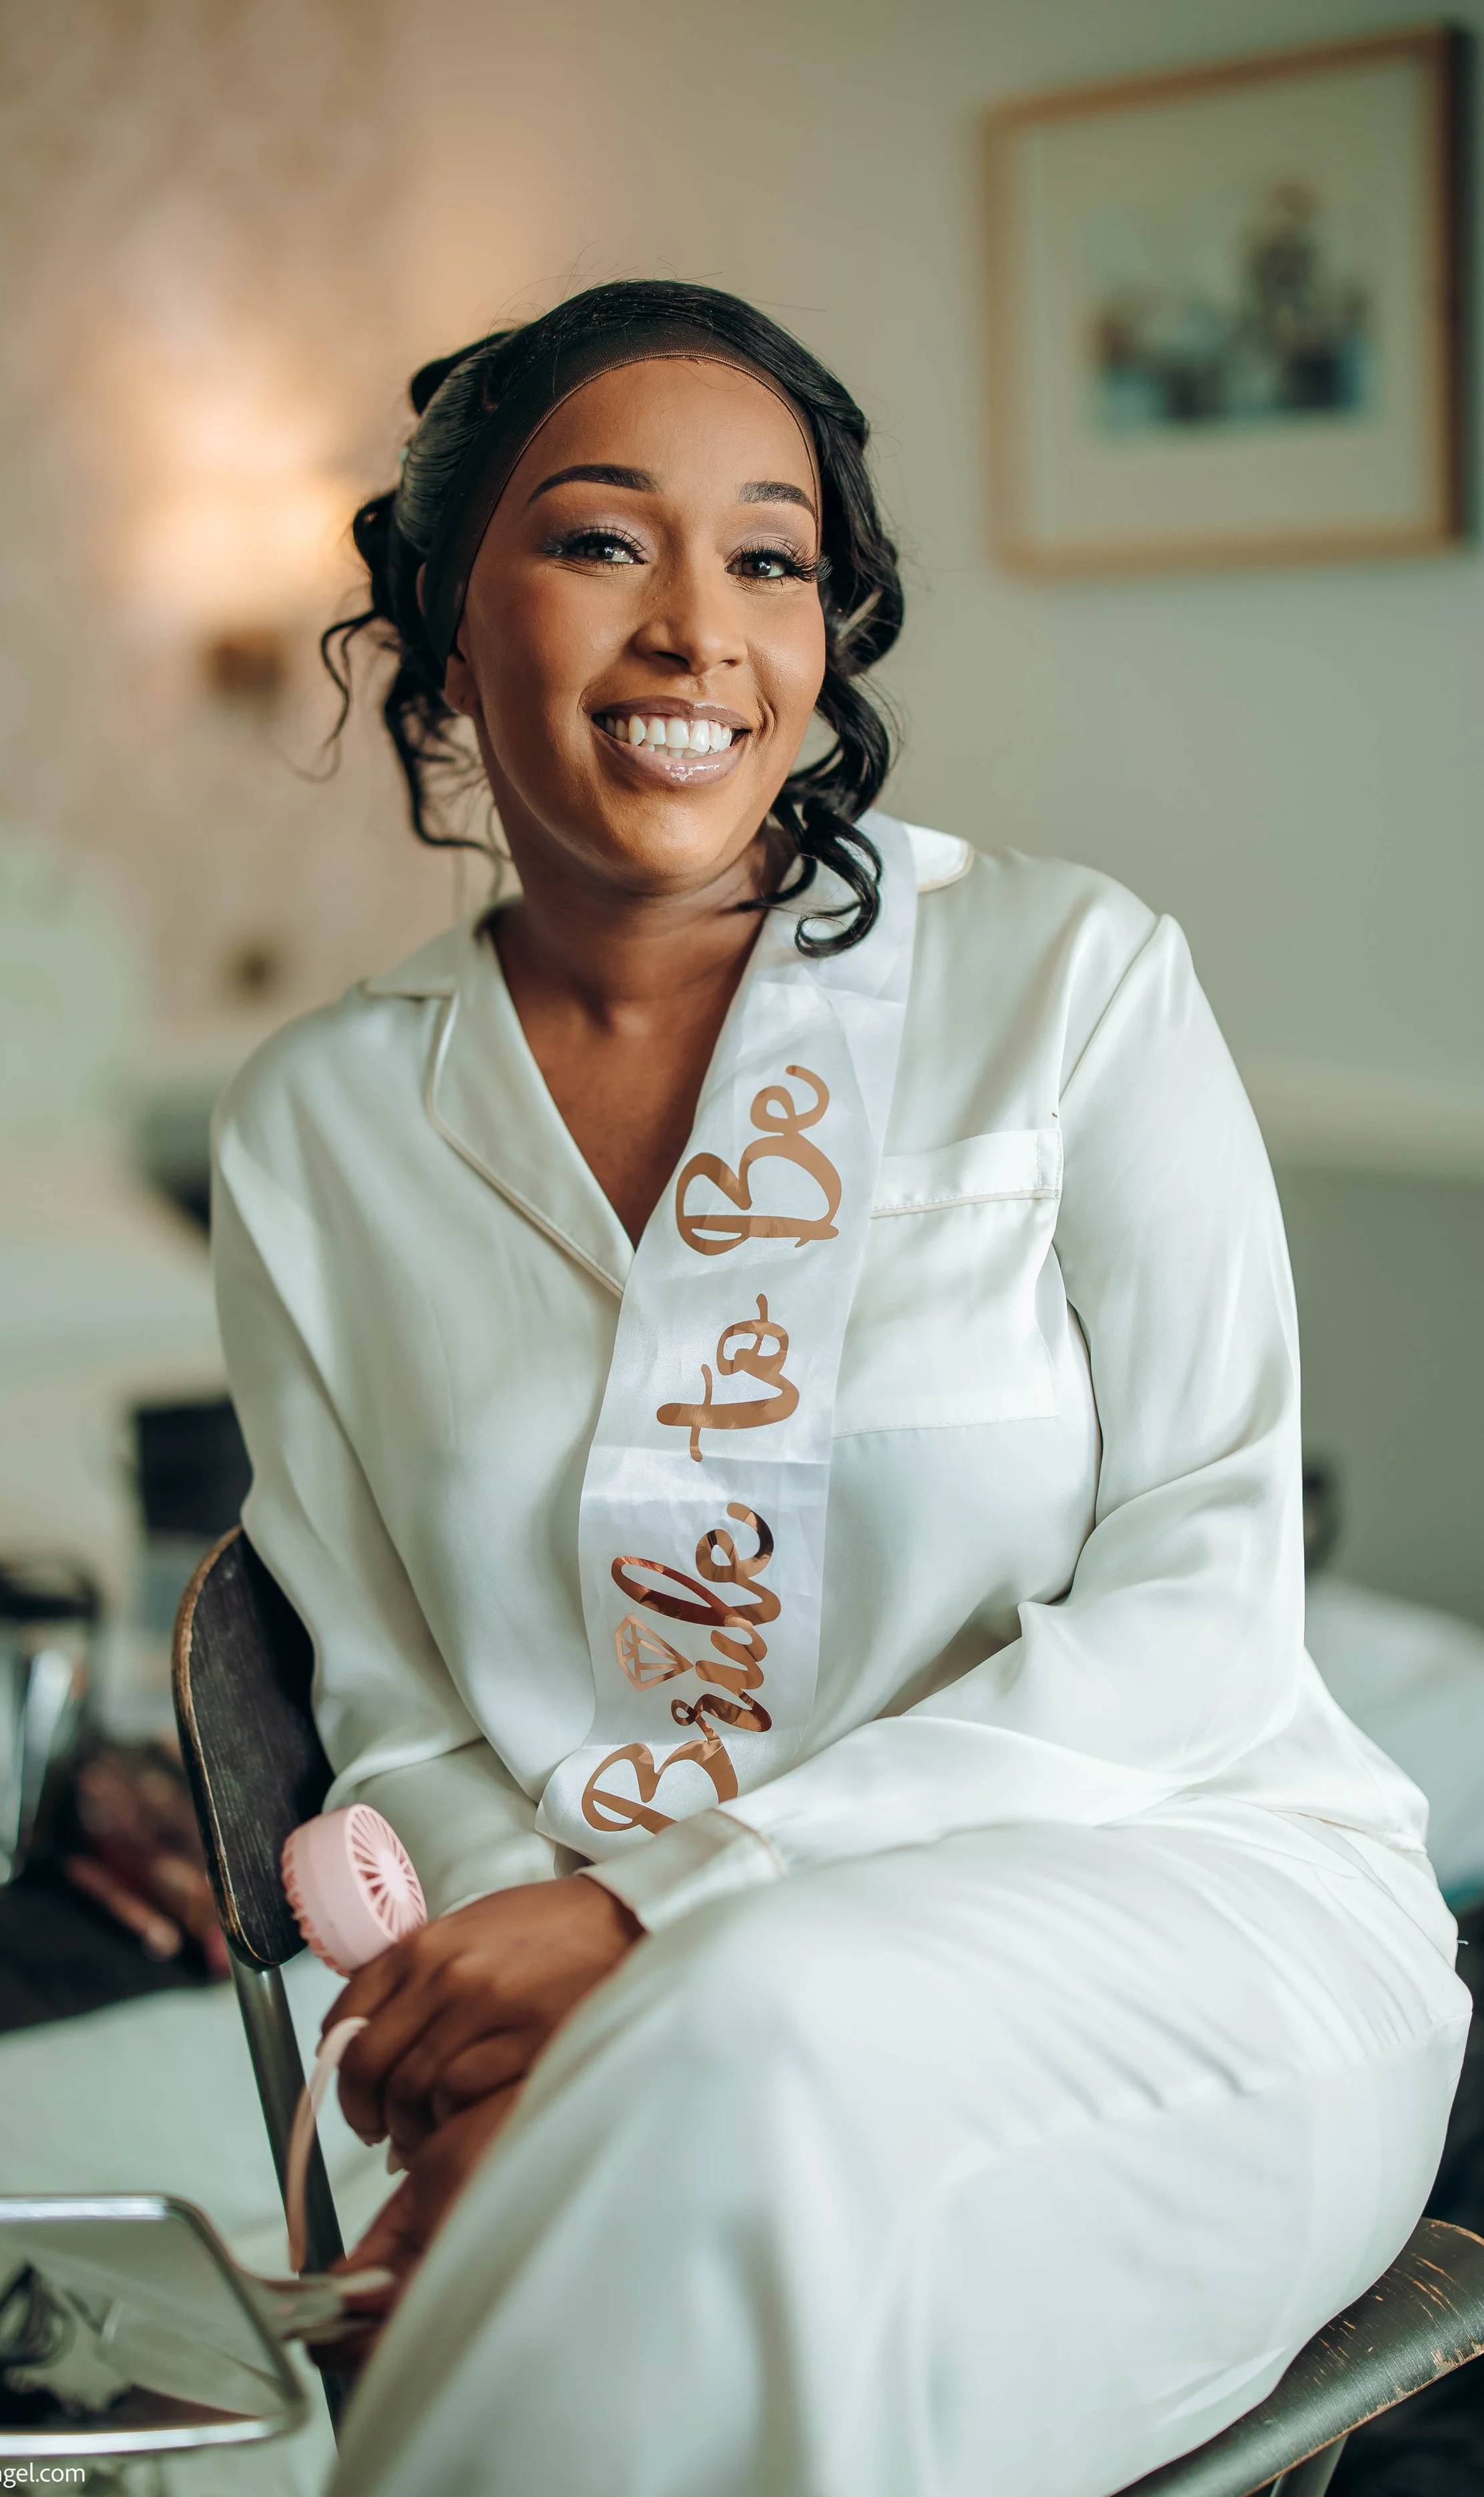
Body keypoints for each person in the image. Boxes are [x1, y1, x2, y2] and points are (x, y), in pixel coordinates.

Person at [211, 280, 1467, 2497]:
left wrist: (658, 1916)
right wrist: (518, 2005)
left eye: (769, 557)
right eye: (604, 540)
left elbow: (1205, 1605)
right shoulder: (315, 1125)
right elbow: (398, 1695)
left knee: (743, 2055)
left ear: (829, 624)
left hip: (1187, 1916)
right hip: (664, 2012)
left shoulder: (1065, 980)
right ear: (439, 596)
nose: (700, 630)